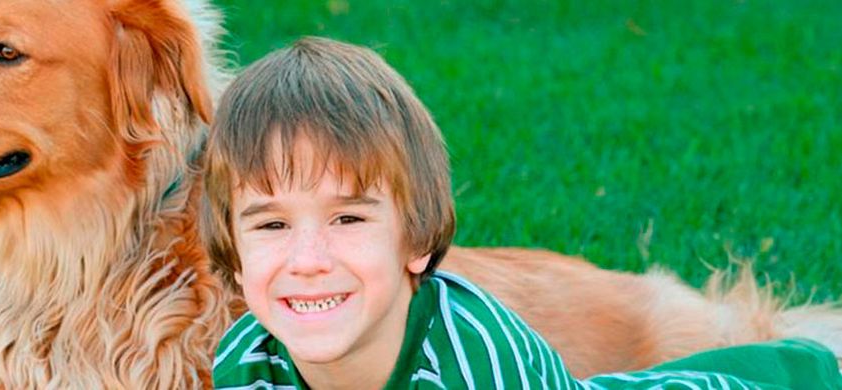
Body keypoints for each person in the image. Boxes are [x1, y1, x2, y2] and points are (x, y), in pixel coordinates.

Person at [201, 36, 842, 389]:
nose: (307, 262)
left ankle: (801, 365)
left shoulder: (474, 355)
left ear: (417, 241)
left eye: (348, 219)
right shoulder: (244, 356)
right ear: (232, 252)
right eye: (272, 224)